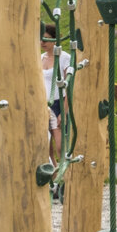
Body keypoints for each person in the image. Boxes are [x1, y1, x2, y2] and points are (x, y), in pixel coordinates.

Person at [41, 23, 70, 159]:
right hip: (43, 104)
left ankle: (66, 177)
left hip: (58, 103)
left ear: (55, 39)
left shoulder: (64, 58)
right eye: (41, 39)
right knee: (46, 147)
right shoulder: (40, 58)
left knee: (60, 146)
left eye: (46, 39)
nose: (42, 42)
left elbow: (69, 85)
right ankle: (54, 178)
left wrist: (64, 111)